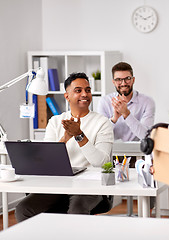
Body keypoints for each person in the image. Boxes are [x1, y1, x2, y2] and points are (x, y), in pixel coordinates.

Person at [15, 72, 114, 222]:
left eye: (87, 90)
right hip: (58, 183)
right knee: (23, 209)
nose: (85, 94)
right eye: (78, 90)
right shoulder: (55, 121)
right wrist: (65, 138)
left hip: (90, 186)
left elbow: (101, 162)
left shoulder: (102, 122)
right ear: (66, 96)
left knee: (77, 210)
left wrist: (79, 135)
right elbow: (47, 160)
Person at [97, 62, 155, 142]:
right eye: (118, 80)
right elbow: (100, 135)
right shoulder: (104, 102)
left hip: (138, 152)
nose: (123, 83)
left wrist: (126, 114)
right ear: (113, 82)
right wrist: (114, 119)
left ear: (133, 80)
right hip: (112, 152)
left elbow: (145, 136)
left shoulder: (147, 102)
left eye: (127, 78)